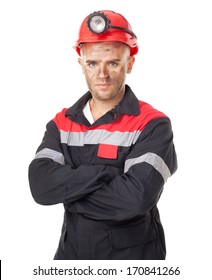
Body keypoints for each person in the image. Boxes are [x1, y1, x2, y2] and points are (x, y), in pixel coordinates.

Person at [28, 10, 177, 260]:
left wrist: (71, 193)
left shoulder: (152, 124)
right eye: (93, 63)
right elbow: (41, 187)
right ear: (81, 64)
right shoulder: (61, 123)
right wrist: (107, 174)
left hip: (133, 262)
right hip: (71, 257)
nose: (102, 74)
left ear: (129, 63)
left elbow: (135, 200)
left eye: (113, 63)